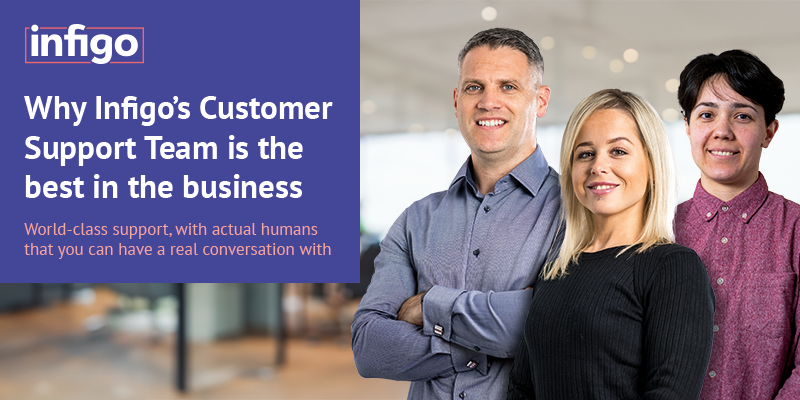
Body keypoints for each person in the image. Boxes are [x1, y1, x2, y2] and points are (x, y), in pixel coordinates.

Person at [352, 28, 562, 399]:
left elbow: (551, 328)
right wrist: (487, 340)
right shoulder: (416, 221)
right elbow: (370, 347)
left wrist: (430, 306)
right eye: (474, 87)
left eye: (508, 87)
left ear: (540, 101)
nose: (488, 102)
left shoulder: (574, 212)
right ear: (456, 100)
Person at [508, 89, 715, 399]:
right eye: (585, 153)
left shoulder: (673, 268)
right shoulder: (553, 269)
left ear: (651, 164)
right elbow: (521, 388)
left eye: (618, 151)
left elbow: (669, 393)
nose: (597, 166)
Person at [674, 50, 800, 399]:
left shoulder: (796, 230)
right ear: (688, 127)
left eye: (742, 116)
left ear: (769, 132)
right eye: (706, 115)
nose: (722, 131)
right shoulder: (658, 230)